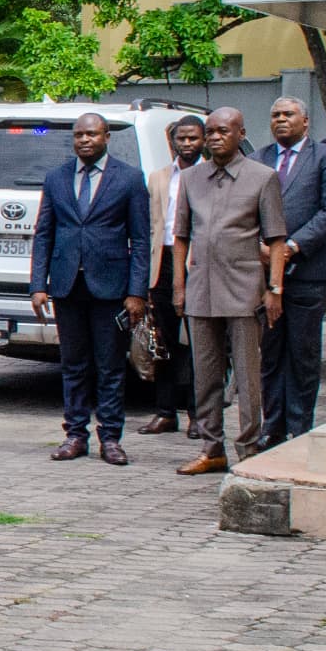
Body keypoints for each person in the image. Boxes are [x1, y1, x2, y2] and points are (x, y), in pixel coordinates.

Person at [27, 112, 151, 464]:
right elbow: (44, 233)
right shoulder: (57, 178)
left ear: (106, 137)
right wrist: (39, 284)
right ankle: (75, 435)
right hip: (67, 286)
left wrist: (137, 292)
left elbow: (141, 240)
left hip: (111, 288)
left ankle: (111, 438)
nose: (84, 140)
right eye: (79, 134)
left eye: (92, 134)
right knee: (73, 365)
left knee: (110, 367)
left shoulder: (128, 179)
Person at [173, 107, 289, 476]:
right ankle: (212, 447)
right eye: (210, 132)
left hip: (244, 288)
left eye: (223, 131)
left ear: (241, 133)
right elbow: (180, 236)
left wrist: (275, 288)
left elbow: (276, 238)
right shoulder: (192, 178)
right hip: (201, 289)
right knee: (205, 373)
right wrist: (178, 285)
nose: (214, 137)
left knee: (247, 374)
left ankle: (250, 446)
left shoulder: (262, 177)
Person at [255, 97, 326, 448]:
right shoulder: (257, 159)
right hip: (264, 272)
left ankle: (299, 425)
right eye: (275, 114)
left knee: (303, 352)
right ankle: (271, 425)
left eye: (288, 114)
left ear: (305, 121)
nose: (281, 119)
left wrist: (291, 247)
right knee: (271, 351)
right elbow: (244, 210)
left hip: (309, 270)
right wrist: (260, 249)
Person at [139, 114, 206, 437]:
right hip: (162, 264)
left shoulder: (212, 175)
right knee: (163, 343)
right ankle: (165, 412)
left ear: (203, 140)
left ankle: (197, 414)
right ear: (172, 142)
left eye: (194, 138)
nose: (187, 144)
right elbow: (151, 227)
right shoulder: (159, 177)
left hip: (200, 265)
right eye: (182, 138)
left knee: (198, 345)